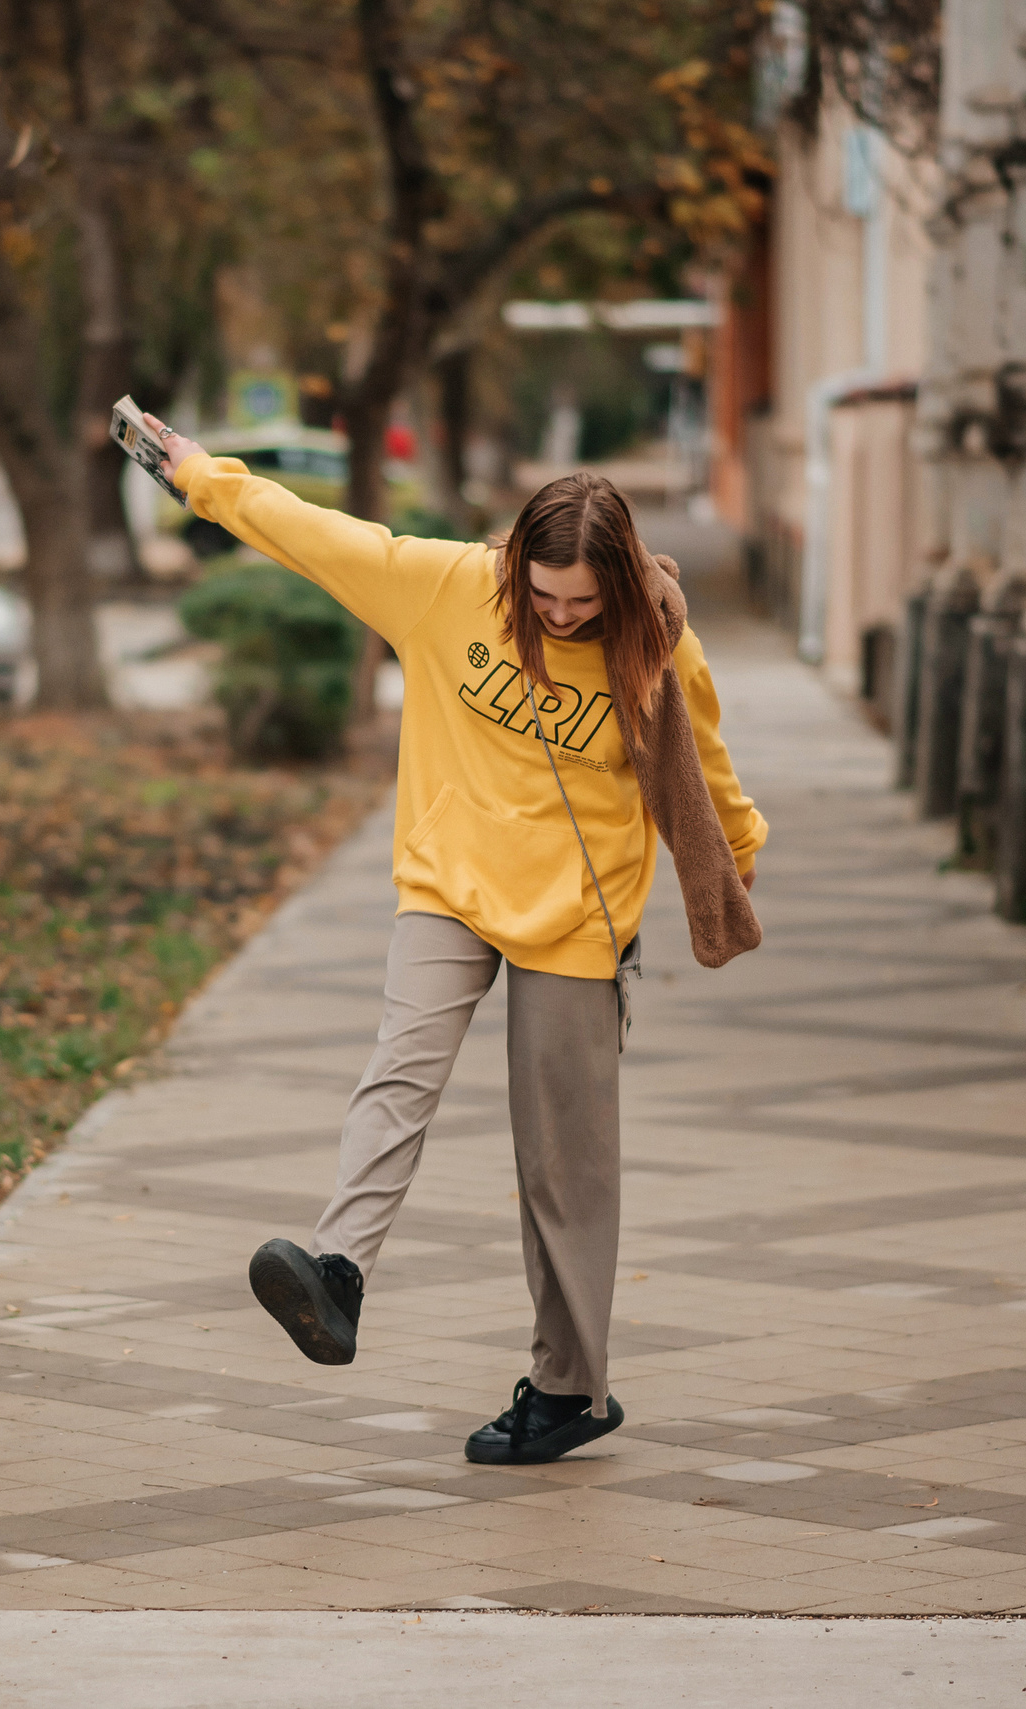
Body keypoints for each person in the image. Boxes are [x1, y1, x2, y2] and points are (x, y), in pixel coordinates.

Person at [149, 417, 767, 1466]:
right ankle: (336, 1270)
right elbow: (310, 532)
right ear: (511, 563)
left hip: (575, 910)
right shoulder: (444, 589)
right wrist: (201, 477)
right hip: (446, 878)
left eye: (584, 601)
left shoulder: (657, 642)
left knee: (562, 1164)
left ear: (618, 583)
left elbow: (699, 765)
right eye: (543, 596)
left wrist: (736, 856)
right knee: (400, 1066)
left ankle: (569, 1390)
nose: (563, 616)